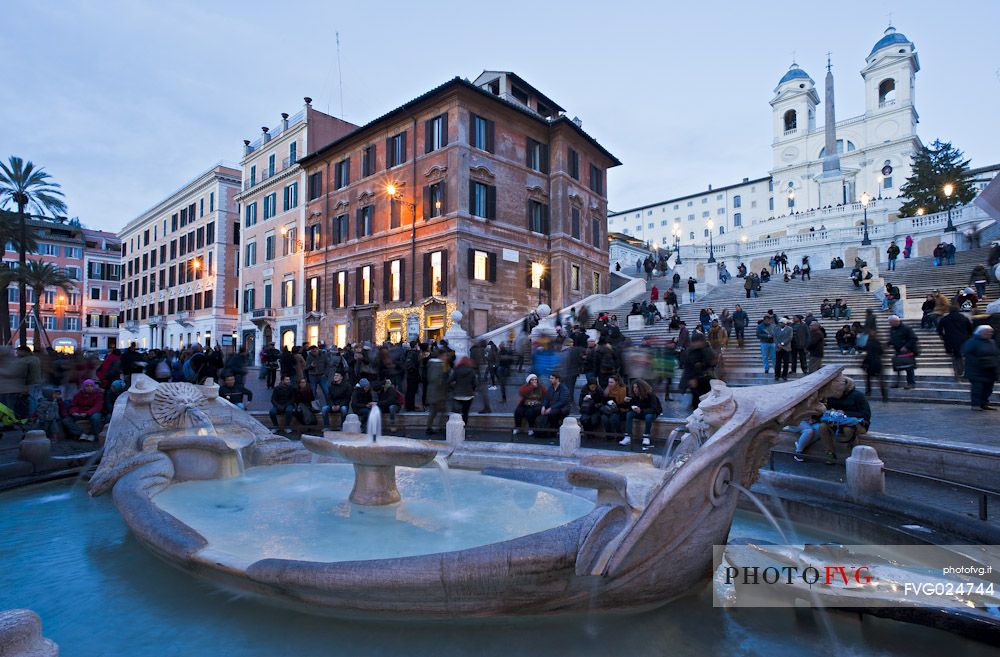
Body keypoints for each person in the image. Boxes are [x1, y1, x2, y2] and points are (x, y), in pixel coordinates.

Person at [811, 378, 871, 464]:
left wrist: (845, 413)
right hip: (837, 423)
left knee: (848, 429)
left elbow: (866, 414)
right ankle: (830, 453)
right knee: (822, 426)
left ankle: (854, 455)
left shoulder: (858, 396)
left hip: (857, 423)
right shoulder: (832, 397)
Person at [962, 326, 998, 411]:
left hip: (990, 370)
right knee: (977, 388)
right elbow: (966, 353)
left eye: (990, 332)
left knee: (988, 389)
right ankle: (976, 404)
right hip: (976, 370)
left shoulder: (992, 342)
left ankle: (984, 403)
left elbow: (996, 354)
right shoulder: (972, 342)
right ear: (980, 332)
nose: (989, 334)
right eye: (987, 332)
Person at [619, 379, 662, 447]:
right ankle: (627, 437)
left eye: (637, 387)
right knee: (629, 414)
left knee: (648, 417)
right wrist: (625, 402)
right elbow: (627, 407)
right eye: (633, 387)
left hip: (651, 413)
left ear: (641, 388)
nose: (634, 389)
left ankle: (646, 437)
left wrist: (641, 411)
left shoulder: (650, 395)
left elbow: (654, 409)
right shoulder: (633, 395)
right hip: (640, 412)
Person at [681, 334, 716, 411]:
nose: (698, 344)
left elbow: (711, 362)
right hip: (694, 378)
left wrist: (706, 363)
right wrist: (691, 378)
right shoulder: (688, 352)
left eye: (700, 341)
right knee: (696, 398)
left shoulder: (706, 349)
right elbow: (687, 367)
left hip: (706, 378)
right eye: (696, 342)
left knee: (707, 398)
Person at [937, 305, 973, 379]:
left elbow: (939, 330)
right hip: (964, 340)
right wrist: (968, 336)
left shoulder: (945, 319)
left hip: (950, 340)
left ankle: (957, 372)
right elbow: (970, 329)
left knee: (955, 357)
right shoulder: (964, 318)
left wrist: (944, 337)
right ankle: (964, 372)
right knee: (964, 356)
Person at [888, 315, 918, 389]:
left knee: (909, 367)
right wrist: (888, 343)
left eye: (891, 322)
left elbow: (914, 338)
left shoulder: (906, 328)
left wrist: (906, 346)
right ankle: (898, 383)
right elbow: (893, 339)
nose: (890, 324)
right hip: (898, 351)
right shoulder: (892, 329)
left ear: (896, 321)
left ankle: (911, 383)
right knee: (897, 368)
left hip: (908, 351)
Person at [423, 351, 449, 436]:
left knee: (434, 411)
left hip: (433, 391)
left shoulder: (431, 364)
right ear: (441, 356)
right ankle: (439, 427)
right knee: (442, 410)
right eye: (445, 355)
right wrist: (443, 382)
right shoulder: (438, 365)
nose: (446, 357)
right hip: (437, 392)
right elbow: (435, 379)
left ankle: (430, 427)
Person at [448, 356, 478, 424]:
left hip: (457, 394)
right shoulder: (471, 371)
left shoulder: (456, 370)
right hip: (468, 395)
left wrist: (453, 388)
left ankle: (455, 425)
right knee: (465, 412)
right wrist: (472, 389)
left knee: (456, 412)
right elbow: (475, 383)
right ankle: (463, 426)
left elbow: (449, 381)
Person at [861, 330, 888, 403]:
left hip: (870, 363)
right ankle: (884, 395)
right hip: (877, 363)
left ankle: (868, 392)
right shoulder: (877, 343)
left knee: (868, 379)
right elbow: (881, 352)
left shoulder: (868, 343)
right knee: (880, 380)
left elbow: (866, 353)